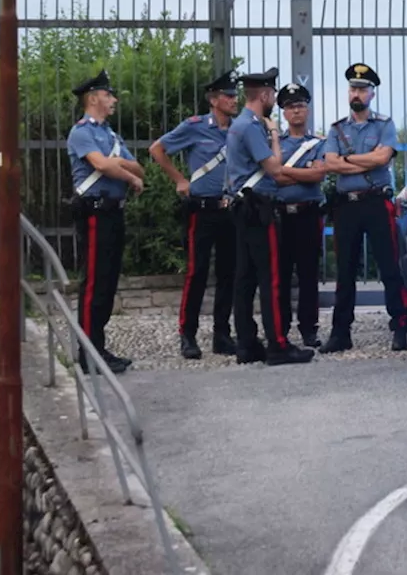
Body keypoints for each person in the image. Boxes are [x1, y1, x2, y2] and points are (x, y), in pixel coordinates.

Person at [225, 68, 316, 366]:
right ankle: (277, 344)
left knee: (245, 278)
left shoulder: (240, 124)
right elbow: (275, 169)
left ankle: (247, 344)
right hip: (259, 208)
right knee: (271, 278)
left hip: (244, 207)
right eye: (273, 94)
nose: (274, 98)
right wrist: (276, 134)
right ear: (264, 95)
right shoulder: (251, 127)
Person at [148, 68, 241, 359]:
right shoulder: (196, 126)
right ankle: (187, 334)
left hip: (230, 210)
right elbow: (157, 149)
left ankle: (222, 334)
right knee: (197, 272)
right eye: (228, 95)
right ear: (214, 100)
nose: (234, 100)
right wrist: (179, 179)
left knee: (229, 274)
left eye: (235, 95)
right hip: (201, 210)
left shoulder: (239, 129)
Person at [320, 63, 407, 354]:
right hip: (347, 206)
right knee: (344, 270)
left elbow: (382, 159)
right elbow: (329, 164)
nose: (356, 93)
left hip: (376, 202)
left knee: (389, 266)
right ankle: (340, 333)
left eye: (362, 88)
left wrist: (347, 162)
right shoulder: (337, 129)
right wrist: (364, 159)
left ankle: (399, 326)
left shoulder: (384, 125)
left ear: (372, 93)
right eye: (353, 88)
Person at [66, 68, 143, 374]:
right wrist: (125, 174)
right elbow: (101, 165)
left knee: (108, 284)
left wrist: (121, 165)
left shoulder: (110, 136)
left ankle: (99, 348)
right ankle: (88, 352)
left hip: (113, 211)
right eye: (109, 94)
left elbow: (139, 169)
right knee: (95, 283)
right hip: (95, 211)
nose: (114, 99)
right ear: (93, 97)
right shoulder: (82, 132)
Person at [271, 82, 329, 348]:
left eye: (300, 106)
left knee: (308, 275)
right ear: (283, 112)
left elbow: (318, 175)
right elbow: (272, 176)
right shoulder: (276, 144)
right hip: (280, 215)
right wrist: (301, 173)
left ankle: (309, 329)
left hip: (308, 214)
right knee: (279, 275)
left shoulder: (318, 143)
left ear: (307, 110)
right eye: (291, 107)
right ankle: (280, 328)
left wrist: (286, 172)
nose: (296, 111)